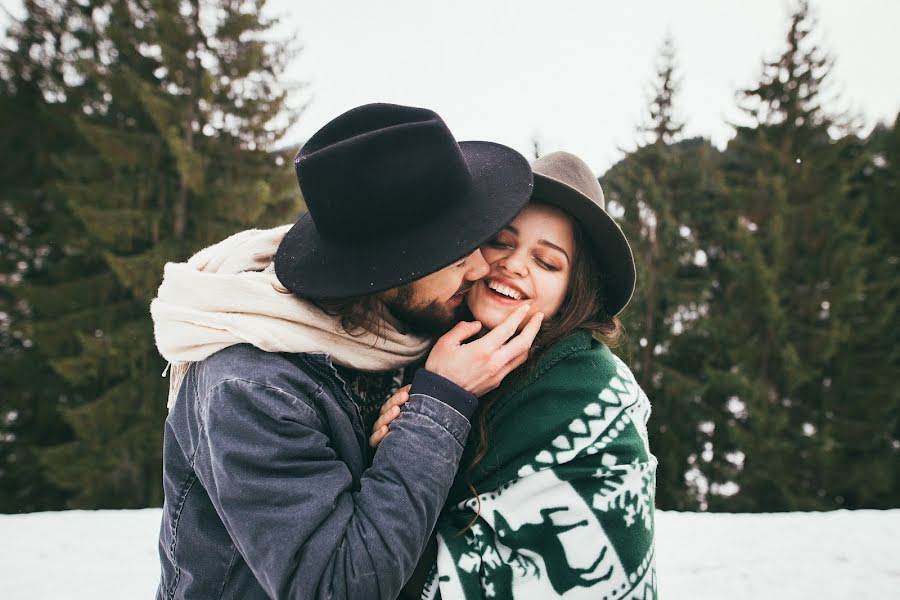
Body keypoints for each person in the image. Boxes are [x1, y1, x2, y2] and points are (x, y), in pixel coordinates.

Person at [151, 103, 544, 599]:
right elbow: (337, 587)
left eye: (479, 240)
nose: (482, 267)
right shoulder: (252, 386)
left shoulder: (402, 326)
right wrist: (439, 405)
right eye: (456, 254)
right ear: (385, 272)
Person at [372, 152, 658, 599]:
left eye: (547, 263)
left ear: (572, 292)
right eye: (502, 241)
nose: (514, 264)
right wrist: (399, 446)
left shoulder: (593, 394)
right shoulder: (420, 347)